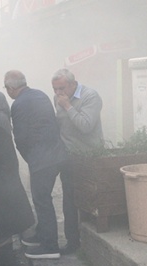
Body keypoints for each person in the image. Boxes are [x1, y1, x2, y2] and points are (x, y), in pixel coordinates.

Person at [4, 70, 67, 259]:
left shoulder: (18, 104)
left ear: (12, 88)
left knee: (41, 199)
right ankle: (42, 233)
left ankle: (50, 246)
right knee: (43, 197)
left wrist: (29, 157)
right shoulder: (40, 94)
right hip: (56, 154)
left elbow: (20, 138)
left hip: (40, 158)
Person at [52, 68, 104, 254]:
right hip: (68, 156)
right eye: (55, 89)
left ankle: (93, 242)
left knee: (90, 197)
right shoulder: (58, 98)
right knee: (69, 199)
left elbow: (86, 126)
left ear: (73, 84)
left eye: (62, 88)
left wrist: (68, 106)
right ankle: (72, 241)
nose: (58, 93)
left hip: (89, 156)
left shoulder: (90, 96)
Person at [0, 90, 34, 249]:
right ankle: (22, 229)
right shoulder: (2, 116)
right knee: (12, 197)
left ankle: (2, 236)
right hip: (6, 164)